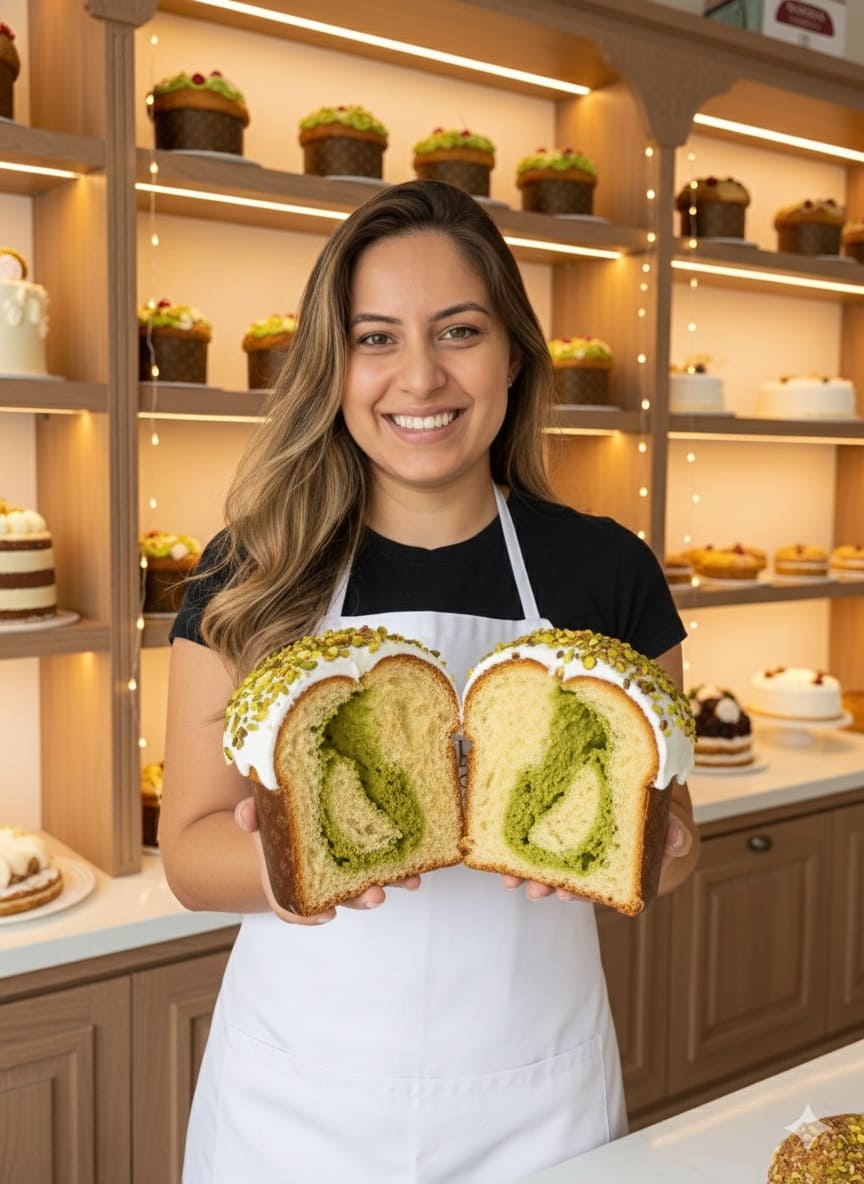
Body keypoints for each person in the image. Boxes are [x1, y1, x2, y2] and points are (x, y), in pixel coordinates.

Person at [160, 178, 700, 1184]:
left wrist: (642, 843)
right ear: (334, 365)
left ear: (511, 355)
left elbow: (673, 846)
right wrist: (296, 865)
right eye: (376, 338)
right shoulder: (253, 567)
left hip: (541, 1101)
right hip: (295, 1102)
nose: (420, 376)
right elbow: (189, 851)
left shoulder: (607, 568)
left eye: (458, 330)